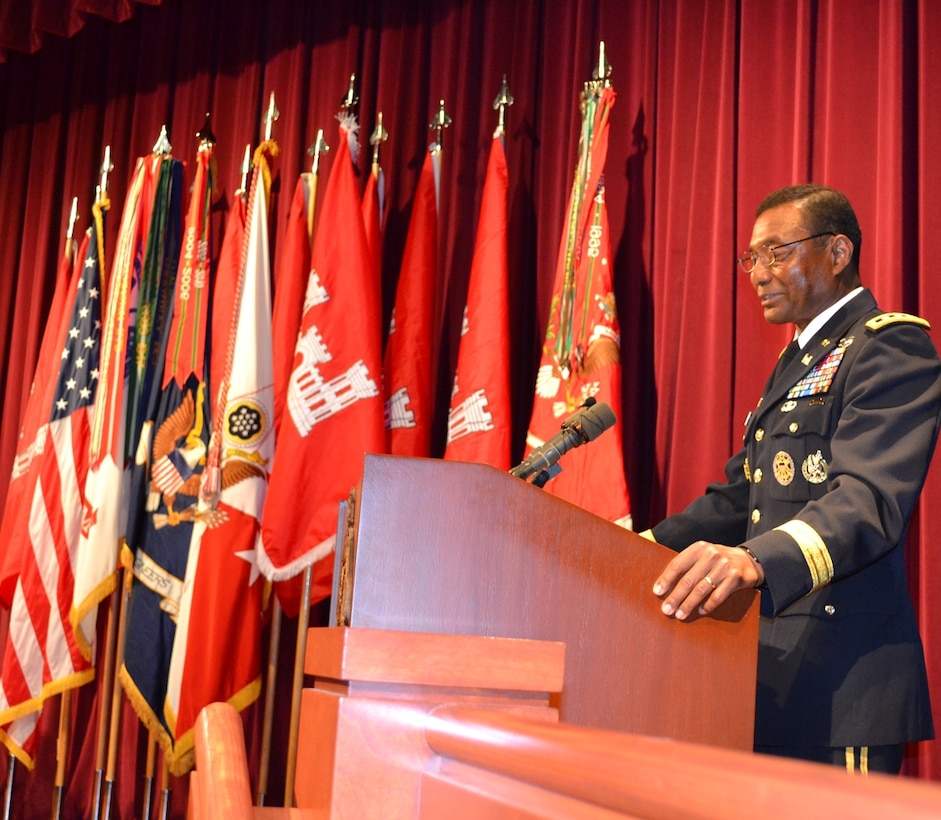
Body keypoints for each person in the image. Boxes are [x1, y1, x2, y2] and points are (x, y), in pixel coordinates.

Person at [645, 184, 941, 774]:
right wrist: (632, 547)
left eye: (777, 252)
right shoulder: (798, 359)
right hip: (772, 677)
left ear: (837, 252)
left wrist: (754, 560)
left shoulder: (890, 345)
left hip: (844, 683)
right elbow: (741, 497)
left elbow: (867, 501)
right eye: (751, 257)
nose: (757, 272)